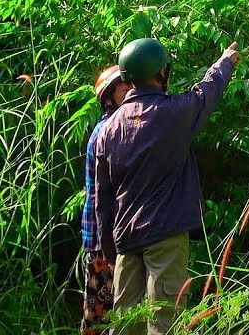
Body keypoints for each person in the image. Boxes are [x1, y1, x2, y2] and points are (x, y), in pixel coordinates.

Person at [93, 37, 239, 335]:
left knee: (124, 324)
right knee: (165, 320)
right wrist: (225, 62)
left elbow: (102, 200)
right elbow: (206, 92)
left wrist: (110, 249)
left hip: (125, 240)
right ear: (161, 73)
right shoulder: (175, 113)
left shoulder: (106, 131)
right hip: (166, 233)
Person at [81, 65, 132, 335]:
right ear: (109, 97)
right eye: (125, 88)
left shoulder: (116, 126)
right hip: (103, 240)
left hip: (108, 235)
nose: (132, 91)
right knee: (100, 313)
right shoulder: (107, 130)